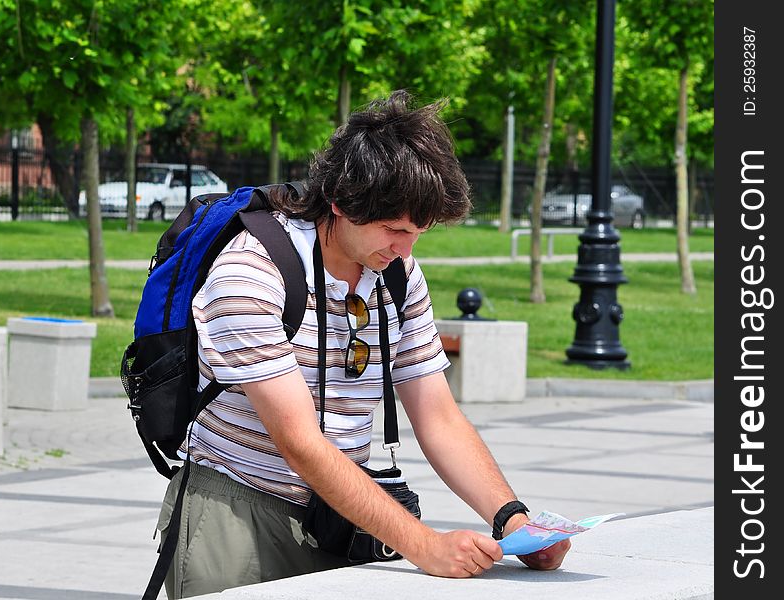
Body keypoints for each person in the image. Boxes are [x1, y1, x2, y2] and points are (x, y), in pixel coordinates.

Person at [156, 90, 570, 598]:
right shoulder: (252, 272)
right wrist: (423, 544)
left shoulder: (396, 273)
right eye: (394, 229)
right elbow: (302, 444)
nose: (405, 248)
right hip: (239, 514)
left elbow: (438, 416)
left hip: (343, 515)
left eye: (419, 232)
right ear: (340, 201)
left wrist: (512, 520)